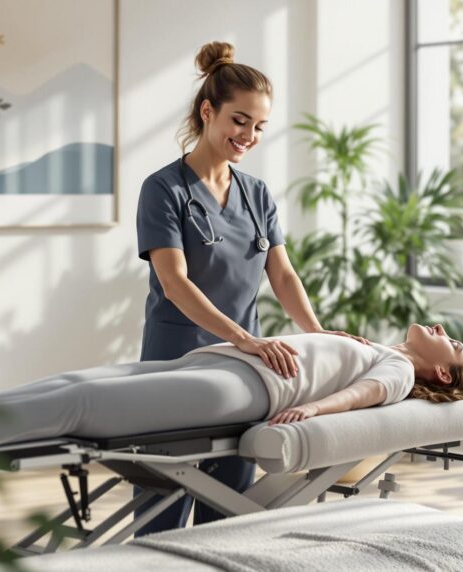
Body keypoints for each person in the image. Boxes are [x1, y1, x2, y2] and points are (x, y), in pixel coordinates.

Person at [133, 40, 367, 534]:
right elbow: (174, 283)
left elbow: (281, 274)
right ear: (207, 110)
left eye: (259, 126)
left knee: (230, 511)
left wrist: (319, 333)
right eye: (240, 120)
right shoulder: (164, 190)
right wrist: (245, 338)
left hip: (244, 371)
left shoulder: (256, 194)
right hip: (178, 360)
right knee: (164, 510)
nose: (249, 135)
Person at [0, 323, 463, 453]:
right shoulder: (380, 345)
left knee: (80, 405)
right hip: (214, 361)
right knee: (67, 381)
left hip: (245, 392)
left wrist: (312, 408)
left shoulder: (401, 371)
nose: (439, 329)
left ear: (440, 374)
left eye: (451, 343)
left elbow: (364, 398)